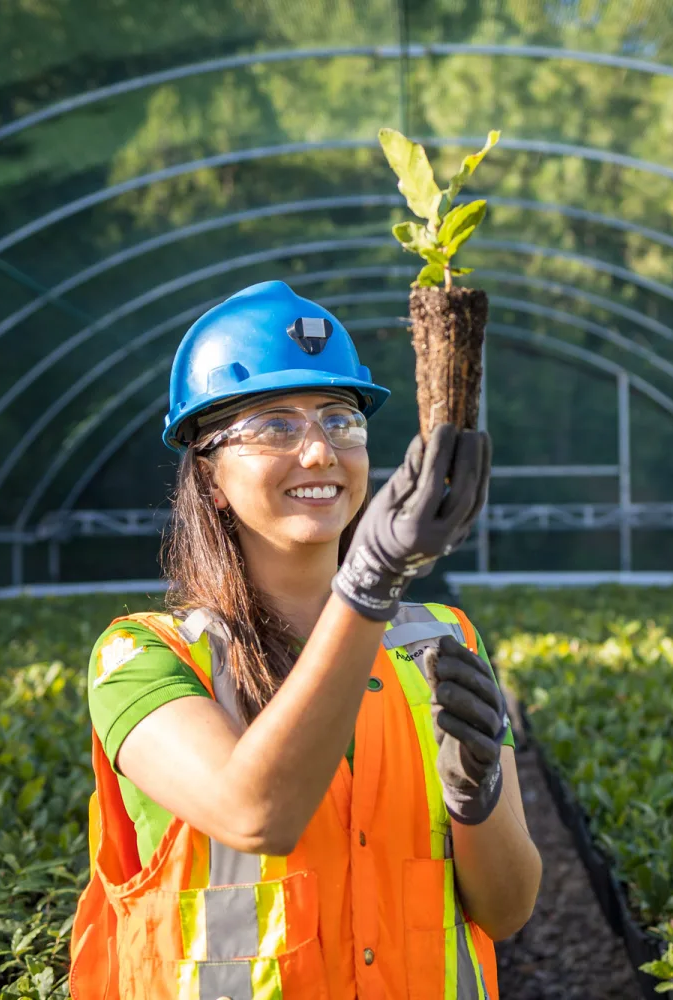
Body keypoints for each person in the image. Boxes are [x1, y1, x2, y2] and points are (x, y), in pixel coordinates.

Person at [69, 280, 542, 1000]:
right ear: (211, 474)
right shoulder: (144, 659)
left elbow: (508, 911)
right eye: (277, 426)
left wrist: (477, 796)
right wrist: (374, 577)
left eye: (340, 421)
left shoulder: (442, 642)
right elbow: (254, 813)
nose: (320, 452)